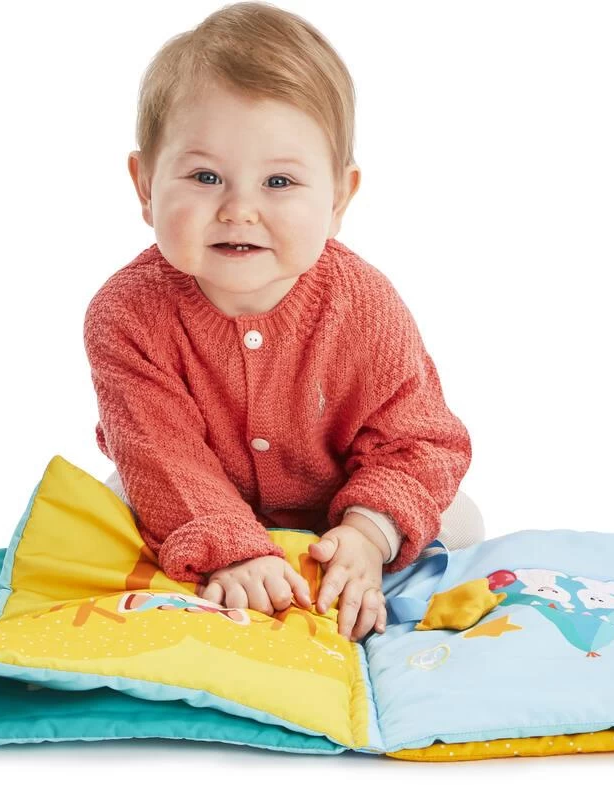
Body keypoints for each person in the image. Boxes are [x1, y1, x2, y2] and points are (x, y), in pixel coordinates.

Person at [83, 2, 483, 644]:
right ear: (146, 186)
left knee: (460, 518)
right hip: (195, 495)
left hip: (341, 499)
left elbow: (418, 437)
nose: (239, 209)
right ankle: (224, 561)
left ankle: (353, 563)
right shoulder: (126, 314)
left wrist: (366, 531)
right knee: (113, 503)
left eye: (279, 181)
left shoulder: (364, 304)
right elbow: (159, 453)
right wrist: (231, 548)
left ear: (339, 197)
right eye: (206, 176)